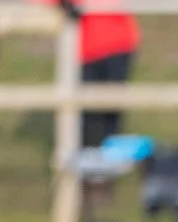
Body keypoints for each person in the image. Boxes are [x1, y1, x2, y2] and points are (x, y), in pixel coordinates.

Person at [59, 0, 141, 148]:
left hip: (117, 44)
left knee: (112, 108)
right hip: (86, 50)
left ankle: (110, 154)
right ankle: (85, 153)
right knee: (84, 111)